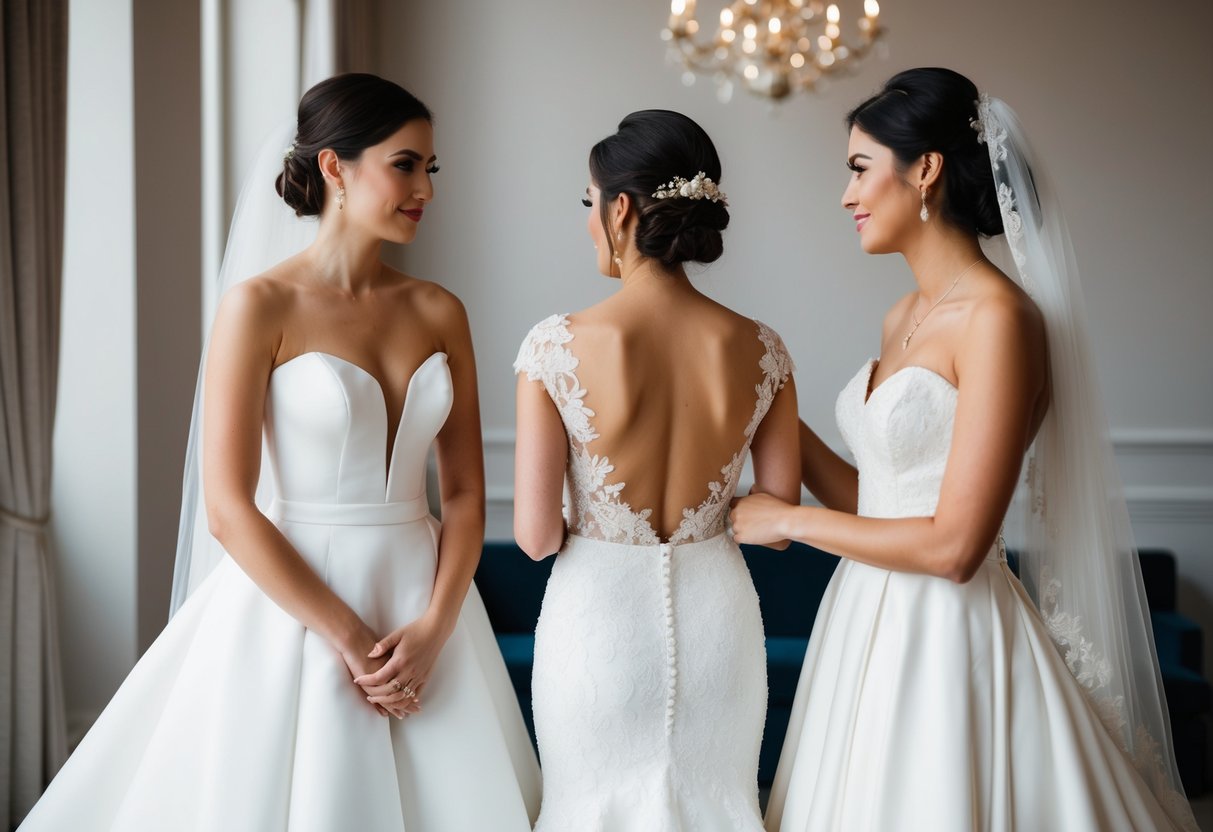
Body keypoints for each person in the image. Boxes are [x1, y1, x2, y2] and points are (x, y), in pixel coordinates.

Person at [20, 73, 540, 831]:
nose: (425, 186)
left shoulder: (438, 310)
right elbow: (229, 508)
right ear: (334, 167)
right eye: (405, 164)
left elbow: (461, 494)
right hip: (300, 606)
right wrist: (352, 640)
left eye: (431, 168)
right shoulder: (260, 306)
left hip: (428, 606)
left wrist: (432, 628)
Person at [731, 67, 1197, 831]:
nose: (845, 197)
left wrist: (789, 522)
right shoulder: (901, 315)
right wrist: (772, 413)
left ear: (924, 169)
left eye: (857, 170)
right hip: (861, 621)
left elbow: (954, 545)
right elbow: (880, 497)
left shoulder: (999, 320)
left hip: (948, 633)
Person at [513, 109, 800, 831]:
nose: (588, 222)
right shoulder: (761, 347)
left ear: (619, 209)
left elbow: (535, 537)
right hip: (718, 624)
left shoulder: (554, 346)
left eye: (589, 204)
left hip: (596, 622)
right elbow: (775, 525)